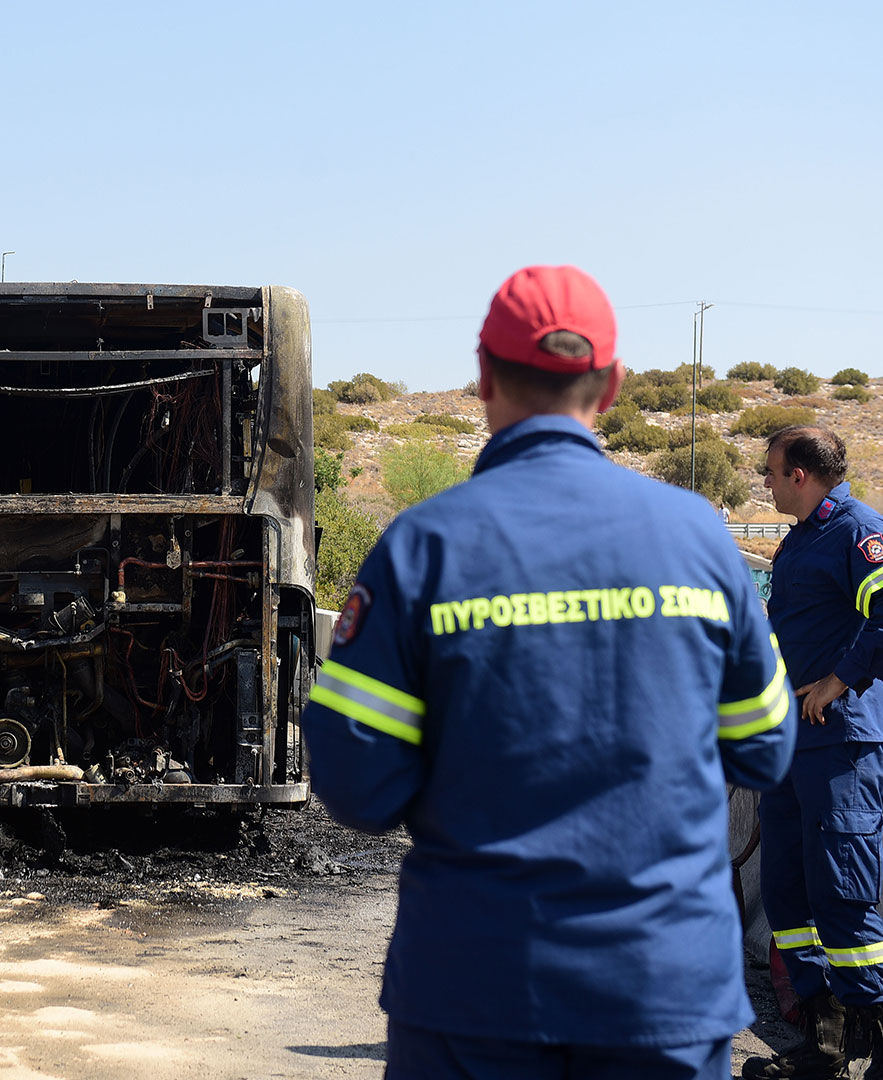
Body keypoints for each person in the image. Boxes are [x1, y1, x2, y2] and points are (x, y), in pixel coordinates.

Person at [302, 265, 796, 1080]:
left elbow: (357, 785)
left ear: (484, 376)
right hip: (663, 989)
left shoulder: (425, 547)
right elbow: (764, 750)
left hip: (475, 989)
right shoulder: (700, 542)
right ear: (611, 386)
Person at [745, 426, 883, 1080]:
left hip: (842, 749)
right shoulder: (802, 541)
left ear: (800, 473)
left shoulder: (857, 529)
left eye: (769, 471)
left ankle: (873, 1055)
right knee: (788, 895)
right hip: (792, 751)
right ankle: (823, 1049)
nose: (764, 482)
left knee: (842, 896)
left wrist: (840, 678)